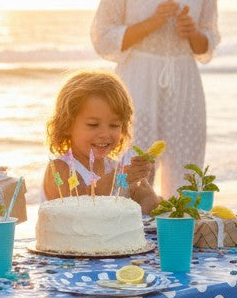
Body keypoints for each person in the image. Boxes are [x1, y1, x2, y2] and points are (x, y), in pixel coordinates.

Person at [91, 0, 220, 195]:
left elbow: (208, 42)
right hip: (136, 80)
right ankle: (125, 225)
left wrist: (192, 32)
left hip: (185, 81)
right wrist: (151, 23)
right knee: (130, 171)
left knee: (188, 176)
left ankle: (183, 227)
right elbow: (102, 36)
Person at [43, 70, 159, 213]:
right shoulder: (60, 168)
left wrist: (141, 185)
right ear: (67, 125)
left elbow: (148, 208)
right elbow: (80, 210)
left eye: (114, 125)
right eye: (93, 125)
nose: (105, 134)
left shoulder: (114, 167)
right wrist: (121, 179)